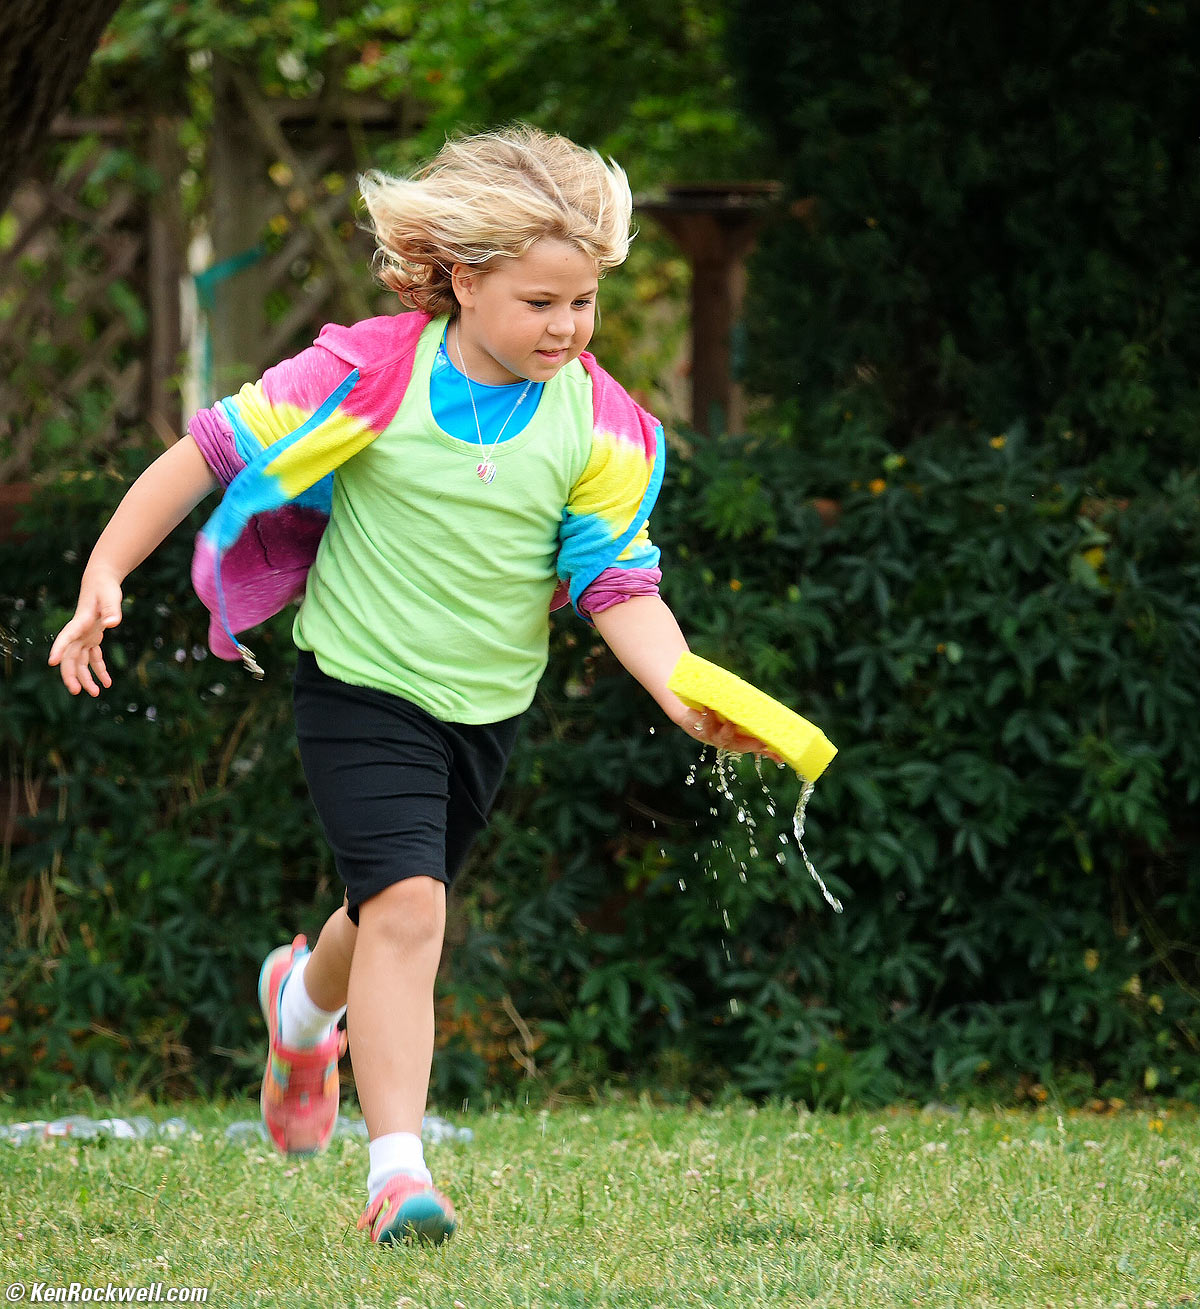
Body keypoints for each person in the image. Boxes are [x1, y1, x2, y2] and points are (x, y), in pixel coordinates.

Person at [49, 125, 772, 1246]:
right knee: (413, 909)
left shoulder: (600, 422)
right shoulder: (369, 374)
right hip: (360, 686)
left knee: (379, 914)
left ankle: (300, 1003)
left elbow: (618, 584)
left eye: (585, 303)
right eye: (542, 302)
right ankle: (398, 1173)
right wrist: (104, 571)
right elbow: (207, 449)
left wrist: (680, 688)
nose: (569, 328)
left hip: (486, 709)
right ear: (465, 278)